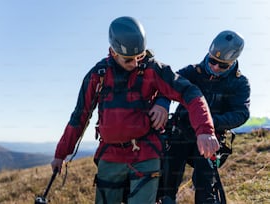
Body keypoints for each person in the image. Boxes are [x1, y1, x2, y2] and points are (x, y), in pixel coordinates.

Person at [51, 16, 219, 204]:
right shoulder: (97, 76)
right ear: (113, 53)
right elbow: (79, 116)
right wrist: (60, 154)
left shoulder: (153, 69)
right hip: (110, 155)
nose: (136, 63)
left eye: (140, 56)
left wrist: (205, 130)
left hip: (146, 152)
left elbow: (190, 92)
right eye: (129, 59)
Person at [162, 30, 251, 204]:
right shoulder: (191, 72)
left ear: (233, 62)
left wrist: (211, 123)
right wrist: (162, 105)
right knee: (166, 182)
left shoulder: (240, 83)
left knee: (206, 185)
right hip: (180, 133)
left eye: (223, 65)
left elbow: (241, 113)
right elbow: (167, 86)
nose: (216, 67)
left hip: (212, 138)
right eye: (212, 61)